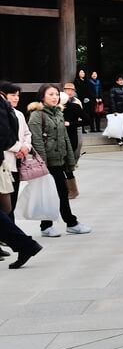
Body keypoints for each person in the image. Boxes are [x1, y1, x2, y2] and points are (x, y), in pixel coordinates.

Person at [27, 84, 91, 237]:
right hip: (48, 161)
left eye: (56, 94)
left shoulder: (58, 113)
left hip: (59, 159)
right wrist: (43, 164)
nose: (55, 97)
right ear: (42, 97)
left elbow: (65, 138)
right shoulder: (37, 114)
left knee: (57, 192)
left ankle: (48, 225)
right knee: (59, 192)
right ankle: (69, 223)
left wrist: (70, 159)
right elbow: (37, 141)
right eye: (51, 94)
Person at [1, 82, 30, 221]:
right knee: (5, 202)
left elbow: (27, 134)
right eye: (13, 95)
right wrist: (19, 147)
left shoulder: (19, 114)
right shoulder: (3, 114)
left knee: (13, 199)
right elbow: (4, 138)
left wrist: (26, 148)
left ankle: (11, 230)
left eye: (18, 95)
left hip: (18, 161)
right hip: (5, 162)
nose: (16, 98)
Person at [60, 83, 85, 162]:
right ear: (64, 91)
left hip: (76, 124)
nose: (70, 92)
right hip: (63, 126)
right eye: (67, 90)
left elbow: (82, 115)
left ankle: (74, 161)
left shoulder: (77, 102)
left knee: (79, 144)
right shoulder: (60, 100)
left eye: (72, 90)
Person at [108, 74, 123, 146]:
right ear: (117, 81)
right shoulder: (113, 89)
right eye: (120, 80)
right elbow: (112, 101)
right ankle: (119, 140)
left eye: (122, 80)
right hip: (118, 111)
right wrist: (114, 110)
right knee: (119, 126)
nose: (121, 81)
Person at [74, 69, 94, 134]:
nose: (82, 73)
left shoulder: (87, 81)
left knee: (89, 113)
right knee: (81, 114)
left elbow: (89, 90)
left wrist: (89, 98)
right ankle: (82, 129)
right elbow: (78, 91)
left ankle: (92, 128)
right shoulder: (76, 81)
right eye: (81, 72)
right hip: (81, 100)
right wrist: (83, 98)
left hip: (88, 100)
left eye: (83, 72)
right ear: (78, 73)